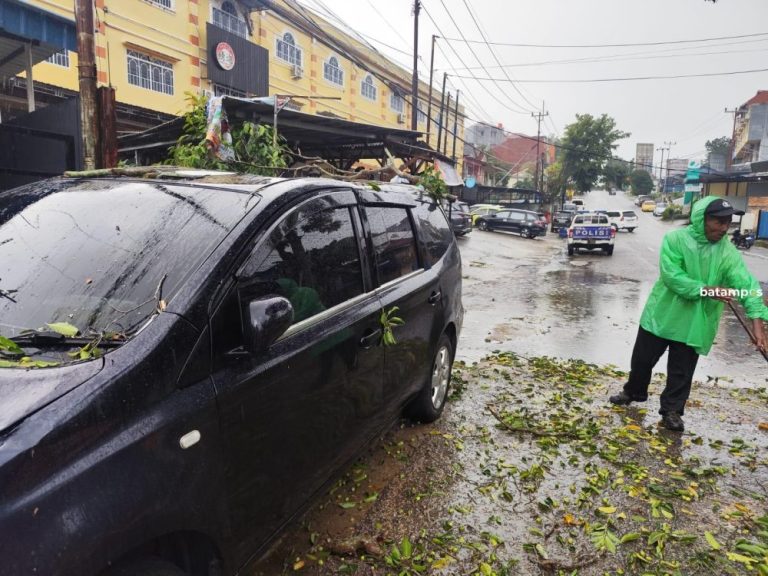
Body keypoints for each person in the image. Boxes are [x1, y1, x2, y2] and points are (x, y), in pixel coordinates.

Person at [609, 196, 768, 432]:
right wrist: (707, 289)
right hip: (663, 314)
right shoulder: (675, 239)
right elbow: (672, 276)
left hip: (695, 321)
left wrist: (757, 322)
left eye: (727, 222)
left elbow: (748, 285)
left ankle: (672, 411)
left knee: (682, 370)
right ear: (701, 219)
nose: (724, 228)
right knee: (642, 360)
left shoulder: (727, 252)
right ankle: (633, 391)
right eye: (718, 222)